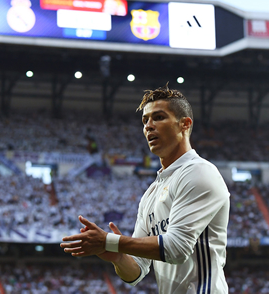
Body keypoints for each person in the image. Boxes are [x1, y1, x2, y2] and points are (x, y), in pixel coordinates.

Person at [61, 84, 230, 293]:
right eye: (145, 120)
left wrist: (111, 240)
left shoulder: (199, 172)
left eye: (158, 117)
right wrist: (117, 255)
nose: (149, 126)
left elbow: (176, 249)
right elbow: (136, 273)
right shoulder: (152, 192)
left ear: (184, 124)